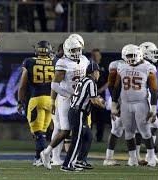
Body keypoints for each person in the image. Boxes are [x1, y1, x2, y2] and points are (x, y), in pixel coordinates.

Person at [40, 36, 90, 170]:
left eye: (78, 49)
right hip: (66, 100)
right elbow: (54, 86)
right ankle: (47, 152)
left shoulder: (84, 60)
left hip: (80, 100)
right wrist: (70, 95)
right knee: (66, 130)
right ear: (67, 50)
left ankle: (75, 160)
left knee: (81, 131)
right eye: (73, 50)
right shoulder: (63, 63)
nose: (76, 52)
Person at [111, 44, 158, 167]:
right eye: (129, 56)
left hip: (141, 103)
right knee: (129, 132)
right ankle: (132, 159)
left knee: (145, 131)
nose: (131, 59)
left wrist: (153, 108)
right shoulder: (121, 67)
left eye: (134, 56)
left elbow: (154, 90)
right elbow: (116, 88)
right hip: (126, 104)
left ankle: (151, 157)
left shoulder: (148, 67)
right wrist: (114, 104)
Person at [61, 62, 105, 172]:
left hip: (77, 112)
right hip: (78, 112)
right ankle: (67, 164)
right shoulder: (91, 82)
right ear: (94, 72)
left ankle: (80, 161)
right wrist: (102, 104)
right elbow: (94, 100)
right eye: (98, 72)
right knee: (76, 139)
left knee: (88, 136)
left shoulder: (83, 80)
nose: (99, 74)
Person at [18, 40, 56, 166]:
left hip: (36, 99)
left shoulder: (29, 61)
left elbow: (23, 85)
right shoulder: (55, 62)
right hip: (51, 100)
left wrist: (20, 101)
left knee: (37, 132)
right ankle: (38, 157)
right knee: (43, 132)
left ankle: (42, 157)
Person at [138, 42, 158, 163]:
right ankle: (146, 156)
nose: (156, 55)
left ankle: (148, 155)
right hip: (142, 100)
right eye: (153, 52)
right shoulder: (148, 66)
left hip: (142, 98)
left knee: (153, 126)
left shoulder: (143, 65)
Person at [103, 58, 125, 166]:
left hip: (128, 100)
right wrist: (115, 105)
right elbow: (113, 88)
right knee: (116, 130)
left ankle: (136, 157)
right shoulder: (116, 66)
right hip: (119, 100)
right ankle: (108, 158)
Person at [90, 49, 109, 142]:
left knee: (100, 118)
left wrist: (101, 89)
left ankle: (99, 138)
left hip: (101, 95)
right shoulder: (88, 66)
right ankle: (88, 137)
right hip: (90, 94)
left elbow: (109, 81)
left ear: (100, 56)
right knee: (90, 117)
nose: (95, 57)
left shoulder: (104, 66)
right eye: (94, 55)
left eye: (97, 55)